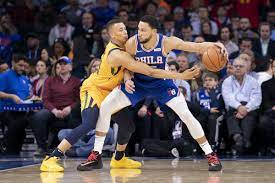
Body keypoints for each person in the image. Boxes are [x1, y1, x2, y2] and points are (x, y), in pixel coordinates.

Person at [40, 18, 200, 172]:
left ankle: (118, 159)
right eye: (121, 30)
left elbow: (125, 70)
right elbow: (148, 70)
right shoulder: (116, 53)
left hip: (110, 91)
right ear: (112, 35)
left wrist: (128, 78)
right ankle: (52, 158)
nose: (125, 32)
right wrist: (180, 76)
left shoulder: (127, 47)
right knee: (89, 123)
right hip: (94, 89)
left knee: (128, 126)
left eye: (125, 29)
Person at [79, 15, 227, 172]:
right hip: (139, 83)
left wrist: (216, 44)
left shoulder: (167, 42)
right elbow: (128, 66)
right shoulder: (132, 44)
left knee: (186, 115)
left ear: (154, 31)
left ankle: (210, 155)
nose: (139, 33)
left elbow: (195, 46)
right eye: (138, 29)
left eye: (143, 30)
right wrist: (128, 79)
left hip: (161, 83)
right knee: (106, 106)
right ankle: (96, 155)